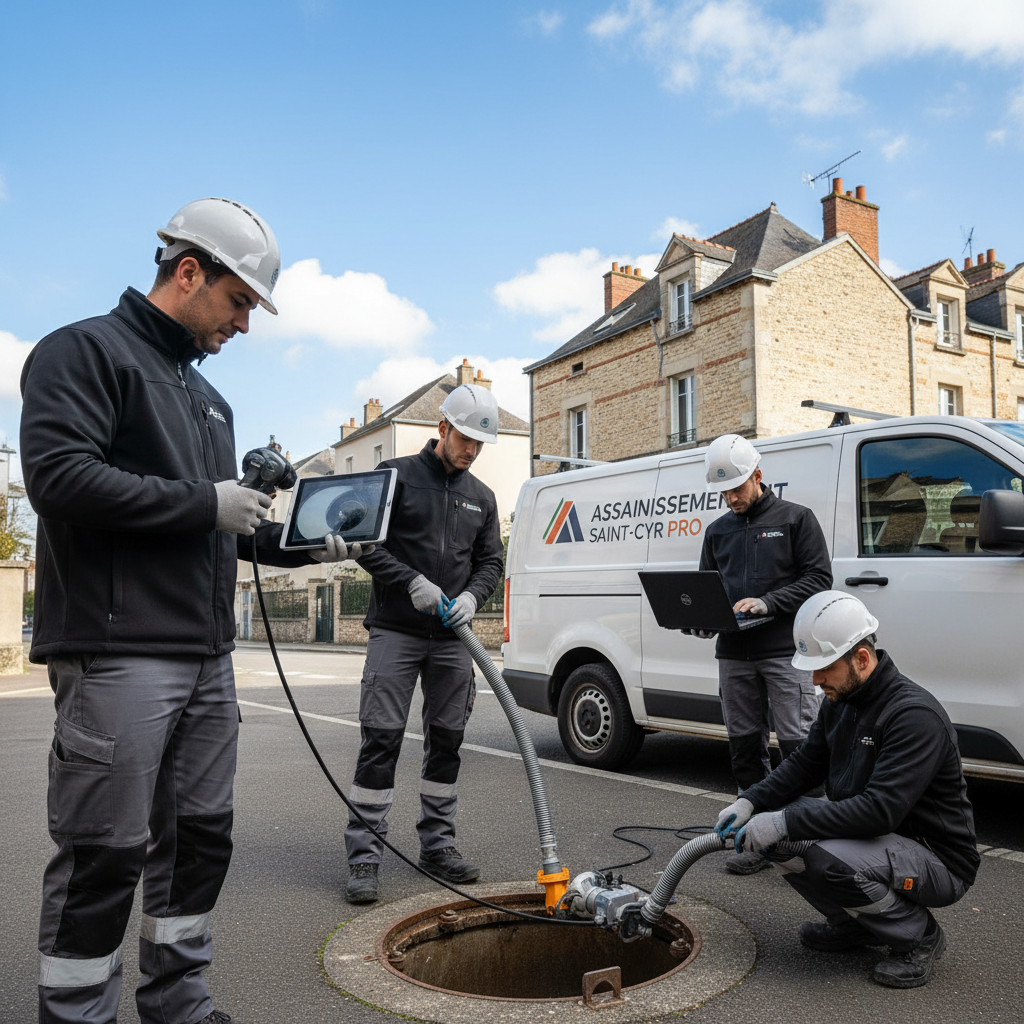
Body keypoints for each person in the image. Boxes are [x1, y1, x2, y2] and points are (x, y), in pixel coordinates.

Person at [21, 198, 366, 1024]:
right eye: (240, 301)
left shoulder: (211, 402)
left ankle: (178, 1002)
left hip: (208, 661)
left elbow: (219, 527)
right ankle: (77, 1015)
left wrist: (307, 547)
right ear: (187, 272)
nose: (244, 324)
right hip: (119, 653)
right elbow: (59, 479)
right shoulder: (82, 352)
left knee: (201, 840)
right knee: (105, 854)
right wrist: (206, 503)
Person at [716, 591, 979, 989]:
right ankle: (857, 924)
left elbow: (878, 811)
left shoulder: (913, 716)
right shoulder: (841, 700)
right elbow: (805, 764)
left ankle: (918, 935)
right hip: (878, 841)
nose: (815, 680)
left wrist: (784, 820)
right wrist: (752, 801)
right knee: (778, 842)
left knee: (824, 857)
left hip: (937, 859)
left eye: (824, 668)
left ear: (862, 658)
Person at [343, 382, 505, 903]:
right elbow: (364, 543)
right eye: (465, 439)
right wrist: (411, 580)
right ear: (442, 428)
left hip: (453, 637)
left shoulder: (482, 497)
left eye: (479, 443)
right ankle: (365, 855)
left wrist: (474, 597)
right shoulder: (395, 476)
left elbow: (491, 562)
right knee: (381, 740)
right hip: (396, 630)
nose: (471, 450)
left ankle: (437, 846)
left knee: (447, 741)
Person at [692, 433, 833, 874]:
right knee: (744, 745)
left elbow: (819, 579)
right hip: (733, 653)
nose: (731, 499)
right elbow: (706, 592)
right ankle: (755, 839)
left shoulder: (796, 519)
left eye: (736, 488)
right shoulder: (717, 532)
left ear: (757, 475)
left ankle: (809, 841)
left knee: (798, 744)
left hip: (784, 651)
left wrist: (769, 602)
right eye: (724, 492)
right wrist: (701, 620)